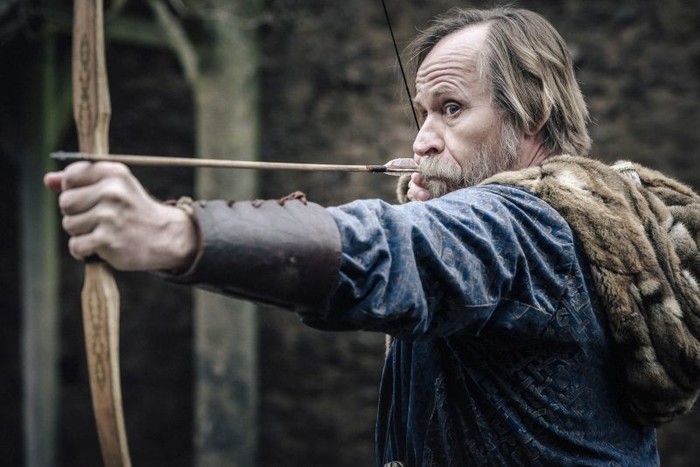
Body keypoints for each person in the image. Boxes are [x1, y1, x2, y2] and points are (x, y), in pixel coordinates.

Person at [44, 6, 700, 466]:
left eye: (451, 109)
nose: (422, 140)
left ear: (533, 116)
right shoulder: (588, 227)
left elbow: (391, 248)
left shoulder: (527, 227)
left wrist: (172, 232)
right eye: (422, 114)